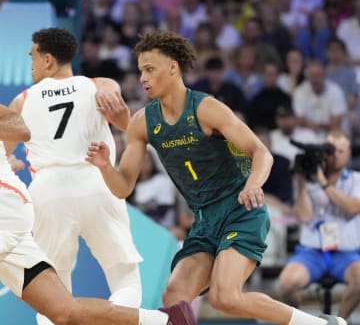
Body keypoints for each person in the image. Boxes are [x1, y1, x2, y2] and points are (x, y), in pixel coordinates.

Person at [86, 30, 347, 325]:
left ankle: (320, 324)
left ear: (173, 67)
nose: (143, 78)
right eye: (140, 71)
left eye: (149, 69)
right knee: (174, 296)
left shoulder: (206, 108)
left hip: (240, 210)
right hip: (204, 220)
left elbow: (261, 152)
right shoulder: (142, 122)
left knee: (226, 297)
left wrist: (252, 185)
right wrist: (105, 166)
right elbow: (122, 188)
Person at [0, 104, 196, 325]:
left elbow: (21, 129)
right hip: (14, 215)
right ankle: (164, 320)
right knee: (63, 312)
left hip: (5, 215)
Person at [8, 27, 143, 324]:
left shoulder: (21, 101)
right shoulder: (99, 84)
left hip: (48, 190)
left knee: (51, 291)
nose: (30, 64)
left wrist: (9, 163)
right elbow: (128, 125)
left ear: (47, 59)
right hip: (96, 180)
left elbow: (3, 152)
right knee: (126, 279)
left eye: (32, 57)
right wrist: (113, 101)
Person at [279, 130, 360, 321]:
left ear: (349, 154)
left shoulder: (356, 179)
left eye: (341, 151)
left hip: (345, 253)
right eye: (331, 150)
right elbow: (303, 216)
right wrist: (301, 184)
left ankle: (339, 321)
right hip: (311, 252)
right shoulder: (309, 179)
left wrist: (323, 183)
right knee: (286, 284)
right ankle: (303, 323)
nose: (335, 156)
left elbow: (352, 208)